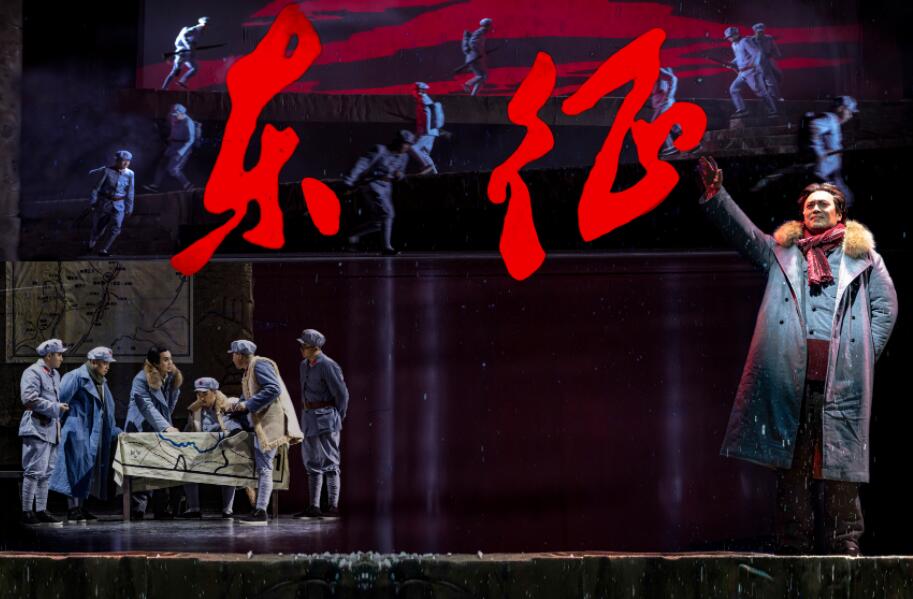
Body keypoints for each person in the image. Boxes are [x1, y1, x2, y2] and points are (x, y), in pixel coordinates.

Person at [697, 156, 898, 555]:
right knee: (792, 469)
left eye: (824, 204)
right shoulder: (782, 252)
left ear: (839, 213)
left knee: (841, 471)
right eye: (810, 205)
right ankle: (794, 550)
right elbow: (745, 235)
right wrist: (717, 195)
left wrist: (859, 359)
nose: (816, 209)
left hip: (841, 383)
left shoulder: (864, 259)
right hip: (791, 380)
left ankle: (844, 550)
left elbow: (885, 309)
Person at [226, 340, 303, 525]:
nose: (232, 358)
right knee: (263, 468)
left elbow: (273, 388)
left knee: (265, 468)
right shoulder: (249, 370)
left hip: (270, 424)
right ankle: (259, 510)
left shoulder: (259, 365)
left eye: (233, 354)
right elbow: (250, 395)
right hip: (261, 423)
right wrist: (236, 406)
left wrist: (246, 404)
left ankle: (261, 512)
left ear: (240, 355)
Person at [49, 347, 123, 523]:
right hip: (76, 428)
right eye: (104, 363)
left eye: (108, 363)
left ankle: (80, 507)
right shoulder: (75, 376)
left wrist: (115, 431)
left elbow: (107, 409)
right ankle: (72, 508)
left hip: (91, 431)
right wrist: (58, 430)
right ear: (93, 362)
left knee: (86, 469)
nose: (107, 366)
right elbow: (60, 402)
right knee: (73, 468)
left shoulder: (101, 382)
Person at [293, 330, 349, 519]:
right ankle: (314, 506)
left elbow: (342, 394)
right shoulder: (304, 365)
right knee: (312, 463)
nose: (301, 349)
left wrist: (337, 416)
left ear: (314, 347)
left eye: (304, 346)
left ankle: (333, 506)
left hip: (326, 418)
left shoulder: (327, 364)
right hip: (309, 419)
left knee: (330, 462)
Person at [124, 346, 182, 520]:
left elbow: (167, 407)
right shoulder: (141, 379)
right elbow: (146, 407)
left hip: (159, 426)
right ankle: (137, 509)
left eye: (170, 359)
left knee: (162, 467)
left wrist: (175, 386)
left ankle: (161, 508)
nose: (170, 362)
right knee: (141, 469)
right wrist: (166, 427)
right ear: (155, 363)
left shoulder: (169, 377)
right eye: (165, 359)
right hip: (140, 427)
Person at [19, 339, 69, 526]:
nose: (61, 358)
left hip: (52, 429)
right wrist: (55, 407)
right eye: (59, 354)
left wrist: (57, 408)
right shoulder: (33, 372)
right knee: (34, 471)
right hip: (36, 427)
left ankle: (41, 510)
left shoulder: (55, 374)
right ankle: (27, 511)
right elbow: (29, 399)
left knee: (47, 472)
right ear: (49, 355)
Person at [177, 377, 243, 519]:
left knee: (228, 465)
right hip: (202, 452)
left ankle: (227, 510)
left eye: (205, 393)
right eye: (198, 394)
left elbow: (237, 427)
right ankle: (194, 508)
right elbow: (188, 431)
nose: (201, 397)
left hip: (223, 449)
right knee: (186, 463)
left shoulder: (227, 406)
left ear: (214, 392)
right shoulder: (196, 411)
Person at [343, 130, 414, 256]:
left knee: (379, 221)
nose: (405, 146)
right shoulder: (380, 150)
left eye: (408, 144)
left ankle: (353, 234)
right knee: (388, 214)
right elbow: (362, 164)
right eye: (404, 143)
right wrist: (349, 180)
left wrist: (400, 175)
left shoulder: (404, 157)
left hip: (387, 188)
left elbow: (400, 174)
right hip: (372, 185)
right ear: (397, 141)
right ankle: (387, 248)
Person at [806, 96, 859, 209]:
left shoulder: (835, 123)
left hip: (832, 175)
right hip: (823, 175)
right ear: (841, 108)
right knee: (841, 202)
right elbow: (814, 126)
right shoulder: (830, 119)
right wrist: (819, 151)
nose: (850, 115)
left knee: (846, 200)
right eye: (849, 111)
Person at [723, 26, 778, 118]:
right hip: (742, 73)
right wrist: (731, 63)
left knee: (761, 93)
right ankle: (742, 110)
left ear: (736, 34)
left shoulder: (745, 41)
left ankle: (774, 111)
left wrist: (753, 65)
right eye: (728, 37)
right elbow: (739, 57)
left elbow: (757, 53)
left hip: (752, 72)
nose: (729, 38)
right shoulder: (734, 45)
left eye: (731, 36)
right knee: (733, 89)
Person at [88, 150, 135, 257]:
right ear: (117, 161)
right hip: (105, 203)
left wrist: (129, 207)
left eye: (128, 161)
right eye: (123, 160)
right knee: (100, 228)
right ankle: (92, 241)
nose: (126, 163)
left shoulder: (130, 174)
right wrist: (93, 202)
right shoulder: (107, 171)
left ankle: (104, 249)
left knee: (117, 227)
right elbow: (96, 188)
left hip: (119, 204)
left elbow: (130, 191)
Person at [144, 104, 196, 192]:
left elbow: (191, 140)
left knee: (173, 169)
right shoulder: (174, 118)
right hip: (173, 145)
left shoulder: (188, 122)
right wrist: (170, 138)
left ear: (182, 113)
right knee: (162, 164)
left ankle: (188, 185)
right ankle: (155, 185)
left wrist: (180, 152)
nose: (173, 116)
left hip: (183, 148)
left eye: (175, 115)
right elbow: (174, 131)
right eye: (172, 114)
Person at [161, 17, 209, 90]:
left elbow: (193, 43)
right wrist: (188, 46)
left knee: (195, 68)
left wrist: (192, 51)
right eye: (205, 24)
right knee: (175, 71)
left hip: (188, 53)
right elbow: (183, 35)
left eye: (207, 25)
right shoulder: (194, 29)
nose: (206, 26)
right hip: (182, 53)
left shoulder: (200, 32)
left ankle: (183, 81)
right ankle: (164, 88)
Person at [411, 82, 443, 175]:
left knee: (413, 148)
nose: (413, 92)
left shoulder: (423, 98)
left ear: (419, 90)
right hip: (430, 131)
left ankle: (427, 166)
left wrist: (424, 130)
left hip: (428, 131)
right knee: (424, 153)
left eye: (415, 90)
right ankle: (434, 173)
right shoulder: (423, 99)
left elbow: (429, 113)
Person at [650, 67, 680, 157]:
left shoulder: (658, 70)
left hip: (663, 104)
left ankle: (670, 147)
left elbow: (673, 78)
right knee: (674, 126)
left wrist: (668, 96)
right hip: (662, 104)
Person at [462, 18, 493, 96]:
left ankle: (473, 94)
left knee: (482, 77)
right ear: (487, 25)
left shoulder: (482, 32)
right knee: (481, 76)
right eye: (490, 25)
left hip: (476, 57)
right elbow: (473, 43)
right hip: (474, 58)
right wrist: (479, 52)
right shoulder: (480, 32)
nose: (491, 26)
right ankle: (467, 84)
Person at [752, 23, 783, 102]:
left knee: (778, 76)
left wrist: (775, 55)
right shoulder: (751, 40)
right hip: (756, 64)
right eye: (758, 32)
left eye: (762, 31)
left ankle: (772, 95)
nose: (760, 33)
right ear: (755, 31)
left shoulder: (769, 38)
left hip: (769, 61)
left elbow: (775, 49)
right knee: (764, 80)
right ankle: (772, 97)